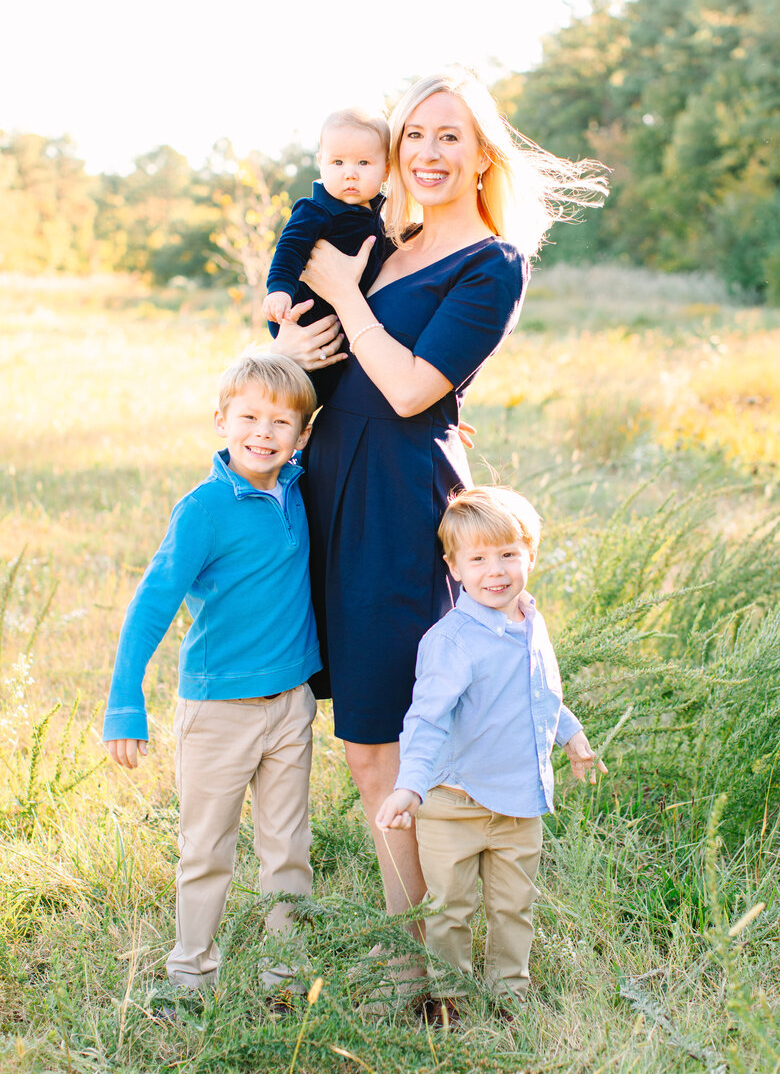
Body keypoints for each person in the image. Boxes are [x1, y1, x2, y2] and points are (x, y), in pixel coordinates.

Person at [270, 67, 608, 962]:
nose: (425, 152)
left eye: (447, 135)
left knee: (395, 723)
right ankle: (411, 929)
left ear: (481, 153)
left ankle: (434, 948)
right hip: (328, 479)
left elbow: (416, 388)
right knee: (359, 739)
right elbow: (321, 360)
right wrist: (287, 343)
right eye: (413, 134)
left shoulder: (491, 265)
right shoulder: (383, 243)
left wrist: (344, 298)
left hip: (400, 495)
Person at [102, 353, 320, 992]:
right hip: (219, 709)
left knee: (287, 851)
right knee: (206, 850)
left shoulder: (297, 486)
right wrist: (124, 702)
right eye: (249, 416)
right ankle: (189, 976)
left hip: (290, 705)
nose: (264, 432)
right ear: (220, 420)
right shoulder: (202, 509)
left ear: (302, 437)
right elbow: (151, 606)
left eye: (282, 422)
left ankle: (287, 979)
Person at [376, 486, 608, 1025]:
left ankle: (509, 993)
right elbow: (427, 719)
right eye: (477, 559)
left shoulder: (531, 620)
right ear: (453, 568)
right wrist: (410, 787)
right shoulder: (451, 641)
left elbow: (537, 693)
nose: (495, 570)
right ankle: (450, 998)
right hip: (454, 803)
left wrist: (570, 736)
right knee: (450, 908)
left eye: (507, 554)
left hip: (520, 803)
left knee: (513, 907)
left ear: (530, 554)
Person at [263, 107, 390, 339]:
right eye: (338, 162)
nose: (350, 174)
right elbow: (290, 248)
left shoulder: (381, 216)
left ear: (386, 169)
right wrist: (279, 289)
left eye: (363, 163)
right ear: (321, 163)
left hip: (347, 326)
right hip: (306, 317)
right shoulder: (314, 211)